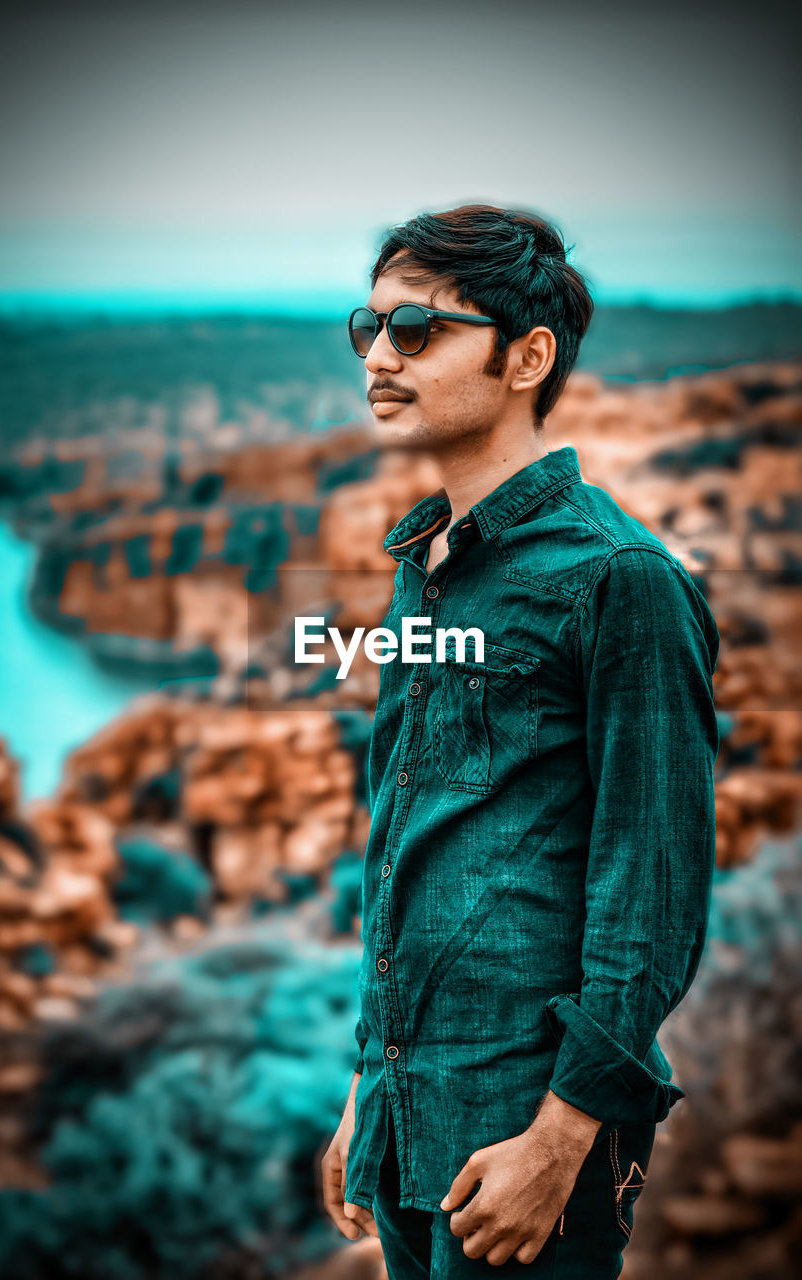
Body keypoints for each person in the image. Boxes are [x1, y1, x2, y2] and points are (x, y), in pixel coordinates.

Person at [320, 204, 720, 1277]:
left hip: (523, 1130)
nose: (381, 356)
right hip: (414, 1111)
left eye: (420, 330)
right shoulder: (427, 568)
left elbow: (653, 886)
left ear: (526, 356)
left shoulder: (618, 580)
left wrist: (560, 1139)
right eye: (369, 327)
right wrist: (371, 1080)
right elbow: (408, 841)